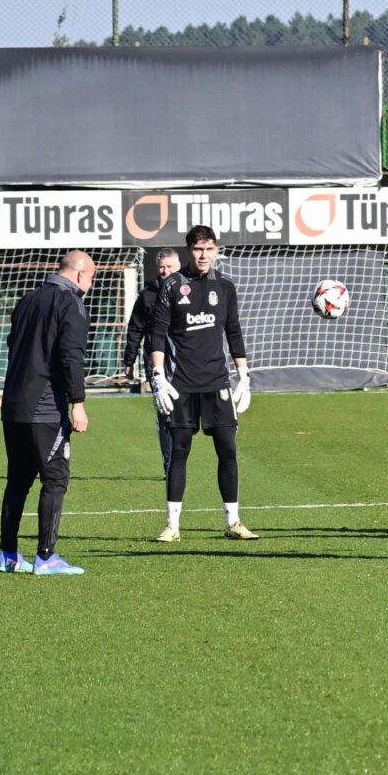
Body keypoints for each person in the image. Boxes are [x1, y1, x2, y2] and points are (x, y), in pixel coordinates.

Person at [148, 226, 256, 542]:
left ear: (216, 249)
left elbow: (233, 332)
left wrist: (244, 377)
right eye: (198, 249)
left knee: (228, 450)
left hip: (216, 382)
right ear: (188, 251)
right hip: (180, 384)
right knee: (178, 452)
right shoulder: (171, 286)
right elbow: (157, 334)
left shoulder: (224, 287)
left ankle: (233, 522)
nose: (204, 255)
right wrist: (157, 376)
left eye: (209, 248)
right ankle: (172, 526)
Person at [0, 251, 95, 576]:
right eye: (91, 278)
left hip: (14, 405)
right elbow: (71, 356)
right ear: (80, 275)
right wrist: (77, 402)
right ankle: (46, 557)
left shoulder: (27, 300)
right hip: (44, 408)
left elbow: (13, 345)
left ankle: (8, 555)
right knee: (55, 478)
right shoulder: (71, 303)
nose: (90, 285)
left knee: (18, 481)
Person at [122, 246, 183, 496]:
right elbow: (135, 327)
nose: (165, 271)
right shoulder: (148, 295)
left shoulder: (190, 290)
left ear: (178, 266)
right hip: (156, 363)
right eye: (161, 267)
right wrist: (129, 358)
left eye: (170, 266)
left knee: (183, 415)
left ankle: (180, 461)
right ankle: (170, 465)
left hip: (186, 363)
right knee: (165, 414)